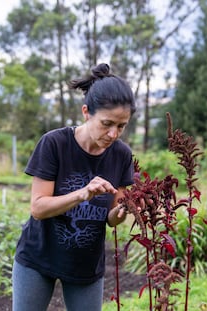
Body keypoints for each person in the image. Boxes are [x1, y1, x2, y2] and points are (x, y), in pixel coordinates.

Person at [12, 63, 136, 311]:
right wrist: (83, 194)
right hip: (38, 257)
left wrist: (125, 209)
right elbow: (38, 208)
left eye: (121, 126)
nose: (113, 134)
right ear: (86, 112)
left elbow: (112, 219)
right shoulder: (54, 144)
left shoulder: (122, 155)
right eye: (107, 123)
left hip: (85, 264)